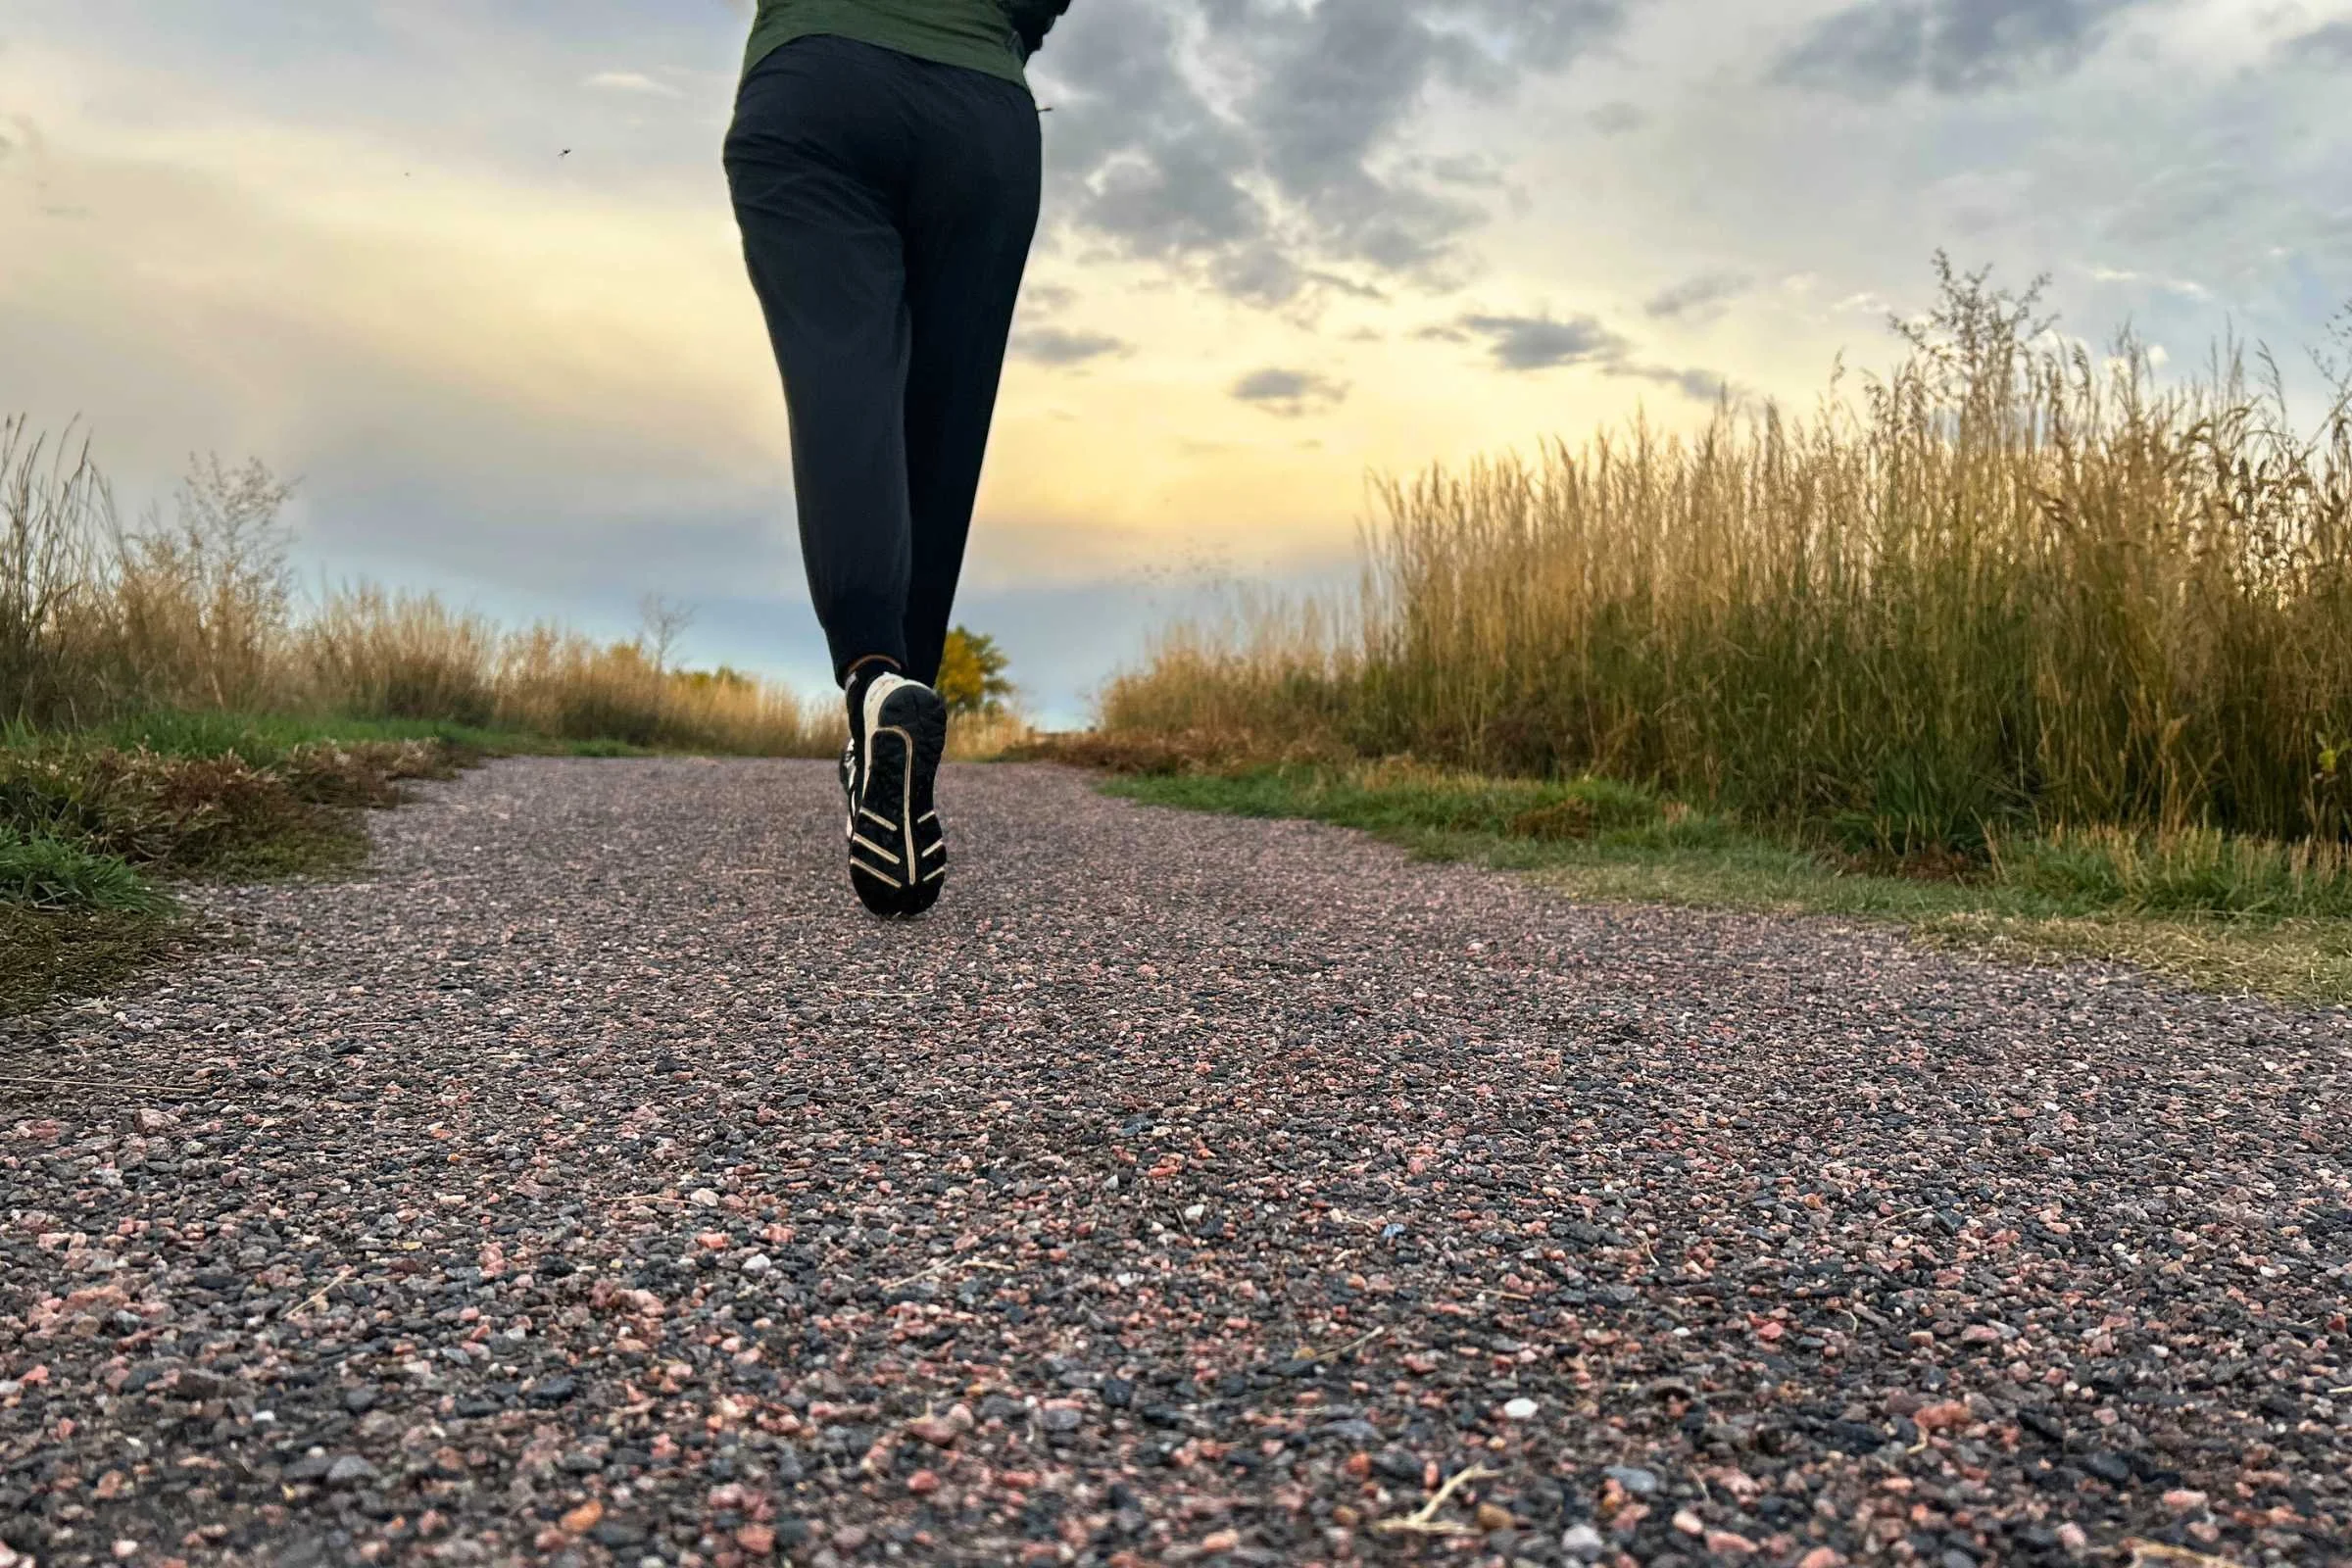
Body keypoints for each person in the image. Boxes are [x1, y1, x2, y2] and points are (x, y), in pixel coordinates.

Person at [723, 0, 1071, 920]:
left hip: (815, 84)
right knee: (944, 423)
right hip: (981, 107)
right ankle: (900, 690)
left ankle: (876, 674)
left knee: (843, 382)